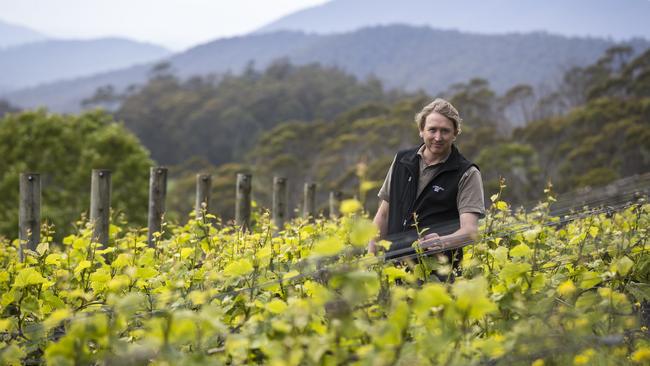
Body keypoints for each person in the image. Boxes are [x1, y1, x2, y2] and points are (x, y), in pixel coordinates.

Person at [369, 98, 485, 269]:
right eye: (432, 130)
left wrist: (442, 242)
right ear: (421, 131)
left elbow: (470, 232)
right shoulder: (401, 160)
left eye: (445, 131)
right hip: (395, 271)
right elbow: (383, 215)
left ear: (455, 133)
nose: (438, 137)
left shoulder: (467, 173)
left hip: (439, 275)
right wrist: (371, 257)